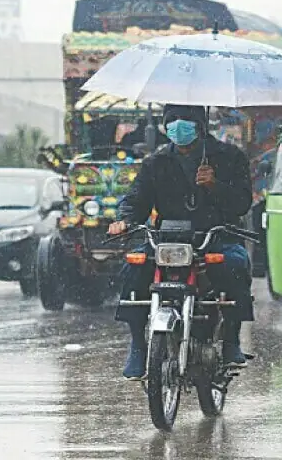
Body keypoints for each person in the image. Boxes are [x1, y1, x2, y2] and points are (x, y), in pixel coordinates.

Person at [108, 104, 254, 380]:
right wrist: (124, 220)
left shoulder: (229, 157)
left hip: (215, 237)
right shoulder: (156, 162)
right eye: (172, 120)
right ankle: (138, 346)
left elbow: (242, 203)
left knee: (236, 264)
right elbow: (136, 201)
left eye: (185, 119)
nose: (178, 125)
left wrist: (215, 186)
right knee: (134, 268)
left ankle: (232, 340)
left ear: (199, 124)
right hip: (166, 241)